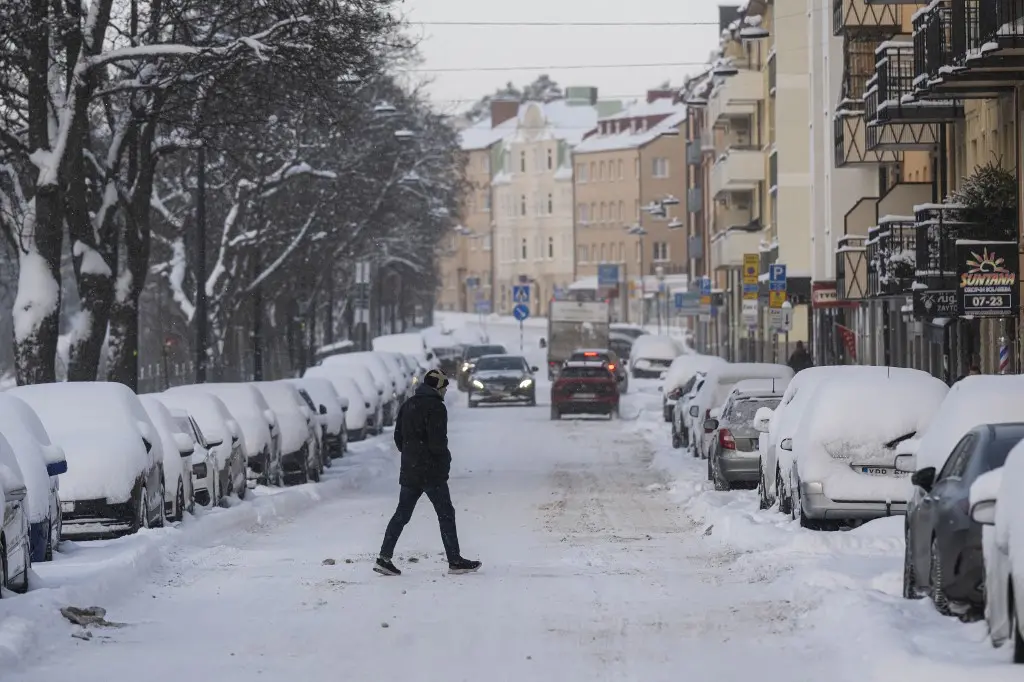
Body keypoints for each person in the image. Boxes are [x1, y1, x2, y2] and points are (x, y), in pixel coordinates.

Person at [375, 369, 481, 576]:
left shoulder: (408, 404)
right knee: (446, 514)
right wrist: (444, 461)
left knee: (401, 514)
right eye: (444, 388)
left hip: (410, 470)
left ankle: (383, 558)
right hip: (431, 472)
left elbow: (398, 438)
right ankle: (454, 560)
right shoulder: (436, 407)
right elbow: (438, 442)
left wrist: (411, 455)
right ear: (437, 387)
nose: (445, 391)